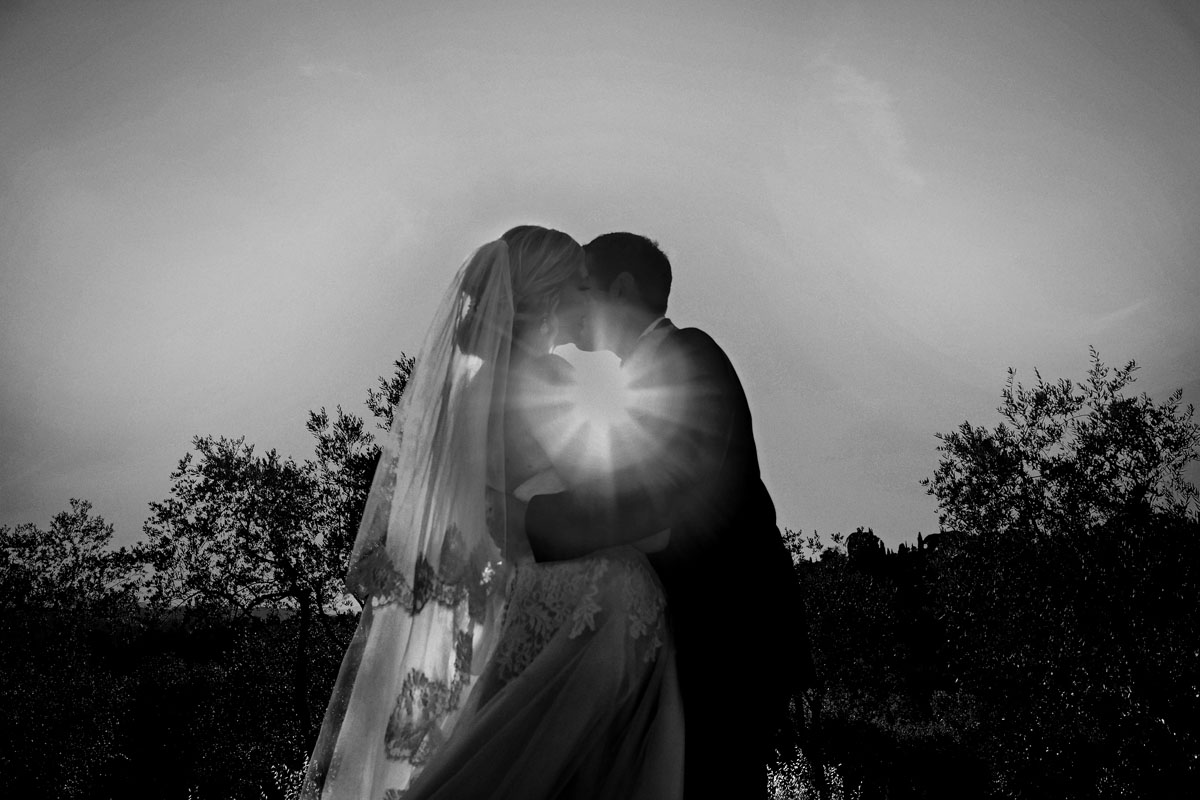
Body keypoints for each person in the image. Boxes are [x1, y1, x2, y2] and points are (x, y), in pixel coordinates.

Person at [301, 226, 684, 800]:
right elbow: (617, 499)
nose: (589, 299)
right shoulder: (549, 381)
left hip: (513, 599)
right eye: (580, 285)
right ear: (550, 298)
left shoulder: (469, 392)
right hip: (571, 604)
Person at [518, 232, 811, 798]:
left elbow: (656, 498)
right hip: (690, 629)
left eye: (585, 285)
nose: (574, 304)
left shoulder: (690, 355)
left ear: (622, 287)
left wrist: (528, 514)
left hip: (729, 632)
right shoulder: (637, 378)